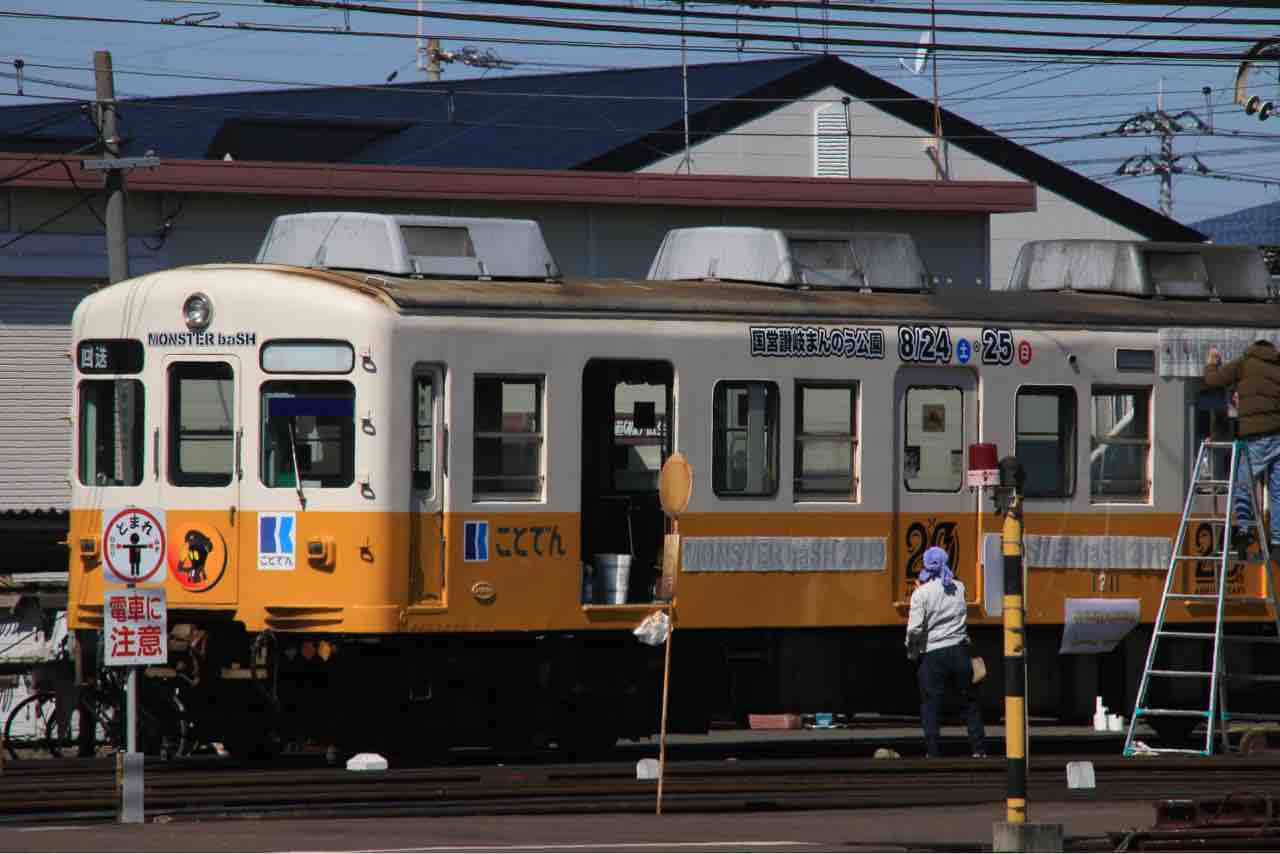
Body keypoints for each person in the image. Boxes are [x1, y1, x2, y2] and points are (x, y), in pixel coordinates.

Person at [905, 546, 986, 758]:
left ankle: (933, 751)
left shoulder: (920, 594)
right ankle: (978, 749)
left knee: (931, 703)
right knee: (969, 701)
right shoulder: (959, 587)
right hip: (959, 651)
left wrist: (912, 650)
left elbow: (914, 629)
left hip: (933, 655)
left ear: (925, 564)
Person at [1204, 341, 1280, 564]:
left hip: (1255, 436)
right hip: (1278, 436)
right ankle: (1277, 543)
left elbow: (1213, 381)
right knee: (1277, 492)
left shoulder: (1245, 364)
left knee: (1243, 484)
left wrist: (1212, 364)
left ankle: (1245, 532)